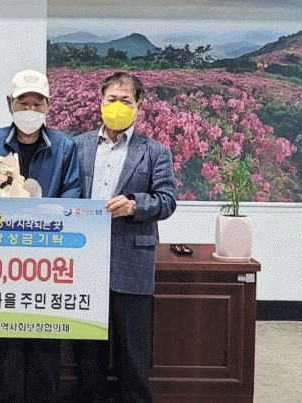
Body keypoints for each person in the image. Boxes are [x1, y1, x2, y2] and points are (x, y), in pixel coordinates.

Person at [0, 69, 81, 403]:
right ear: (10, 103)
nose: (31, 110)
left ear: (48, 106)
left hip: (46, 263)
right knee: (3, 345)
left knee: (44, 345)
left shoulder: (64, 146)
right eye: (24, 102)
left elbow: (73, 197)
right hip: (1, 263)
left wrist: (42, 221)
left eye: (38, 103)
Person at [73, 72, 177, 403]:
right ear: (100, 102)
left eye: (126, 100)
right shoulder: (79, 145)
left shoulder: (156, 151)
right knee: (88, 349)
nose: (117, 106)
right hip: (84, 259)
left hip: (132, 260)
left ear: (138, 106)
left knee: (132, 351)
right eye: (111, 100)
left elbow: (167, 201)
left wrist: (134, 205)